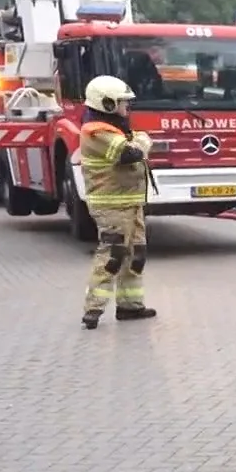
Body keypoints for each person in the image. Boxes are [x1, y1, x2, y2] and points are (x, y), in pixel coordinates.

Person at [77, 75, 157, 330]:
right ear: (107, 104)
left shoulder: (118, 129)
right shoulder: (96, 131)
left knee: (136, 256)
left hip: (130, 205)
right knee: (113, 256)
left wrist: (138, 140)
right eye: (123, 102)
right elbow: (129, 153)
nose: (127, 107)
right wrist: (143, 141)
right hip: (111, 207)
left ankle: (130, 307)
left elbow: (133, 147)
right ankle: (93, 310)